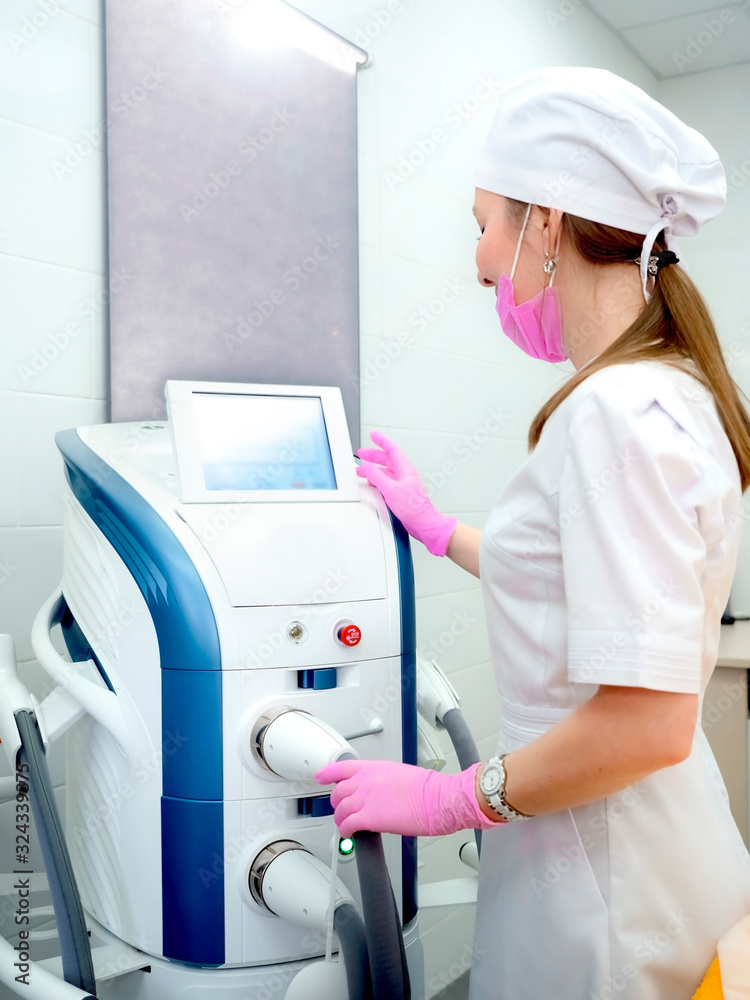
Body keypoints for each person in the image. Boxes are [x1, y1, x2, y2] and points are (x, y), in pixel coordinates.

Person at [316, 66, 750, 998]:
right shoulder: (662, 392)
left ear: (546, 226)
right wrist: (439, 531)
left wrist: (447, 797)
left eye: (484, 223)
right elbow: (579, 582)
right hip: (645, 860)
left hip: (610, 904)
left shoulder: (617, 416)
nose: (478, 259)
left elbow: (647, 723)